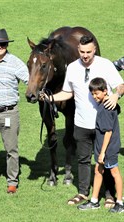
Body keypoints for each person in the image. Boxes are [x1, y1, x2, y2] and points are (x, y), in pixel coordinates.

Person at [47, 35, 124, 206]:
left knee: (105, 160)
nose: (85, 55)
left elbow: (121, 85)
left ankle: (109, 194)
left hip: (102, 125)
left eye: (88, 52)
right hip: (81, 123)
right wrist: (49, 98)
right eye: (82, 52)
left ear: (95, 49)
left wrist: (116, 95)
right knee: (83, 159)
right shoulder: (73, 68)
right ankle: (83, 193)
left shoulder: (105, 65)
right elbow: (68, 92)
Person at [0, 28, 29, 194]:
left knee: (11, 149)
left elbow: (31, 80)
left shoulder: (16, 62)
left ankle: (12, 181)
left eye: (2, 44)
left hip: (9, 112)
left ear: (7, 44)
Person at [77, 77, 124, 213]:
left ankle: (120, 202)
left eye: (97, 93)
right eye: (92, 94)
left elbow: (108, 132)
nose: (94, 96)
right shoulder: (109, 104)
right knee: (98, 171)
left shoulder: (106, 108)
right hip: (101, 146)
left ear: (105, 91)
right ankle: (94, 201)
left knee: (115, 172)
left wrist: (103, 152)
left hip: (108, 148)